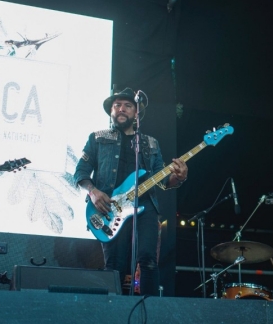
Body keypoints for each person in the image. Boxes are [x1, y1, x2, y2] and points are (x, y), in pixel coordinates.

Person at [73, 87, 188, 296]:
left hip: (145, 208)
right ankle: (112, 313)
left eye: (127, 105)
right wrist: (94, 192)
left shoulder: (150, 143)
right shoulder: (97, 138)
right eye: (117, 106)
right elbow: (80, 172)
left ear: (136, 113)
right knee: (114, 264)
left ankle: (148, 312)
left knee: (148, 260)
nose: (121, 109)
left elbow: (161, 180)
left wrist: (178, 178)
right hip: (110, 208)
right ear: (111, 112)